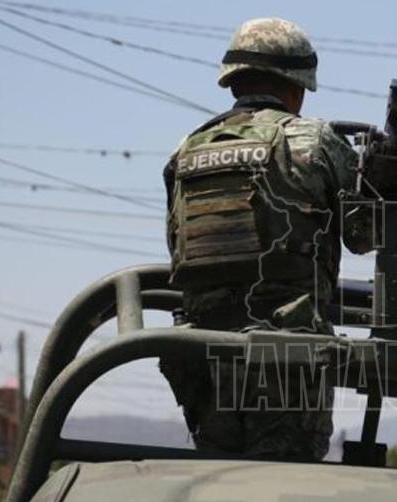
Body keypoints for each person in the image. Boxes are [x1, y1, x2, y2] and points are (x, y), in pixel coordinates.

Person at [159, 17, 374, 461]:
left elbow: (178, 249)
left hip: (202, 358)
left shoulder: (185, 150)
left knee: (218, 482)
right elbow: (365, 235)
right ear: (297, 86)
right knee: (282, 481)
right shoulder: (314, 141)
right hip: (285, 357)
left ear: (234, 80)